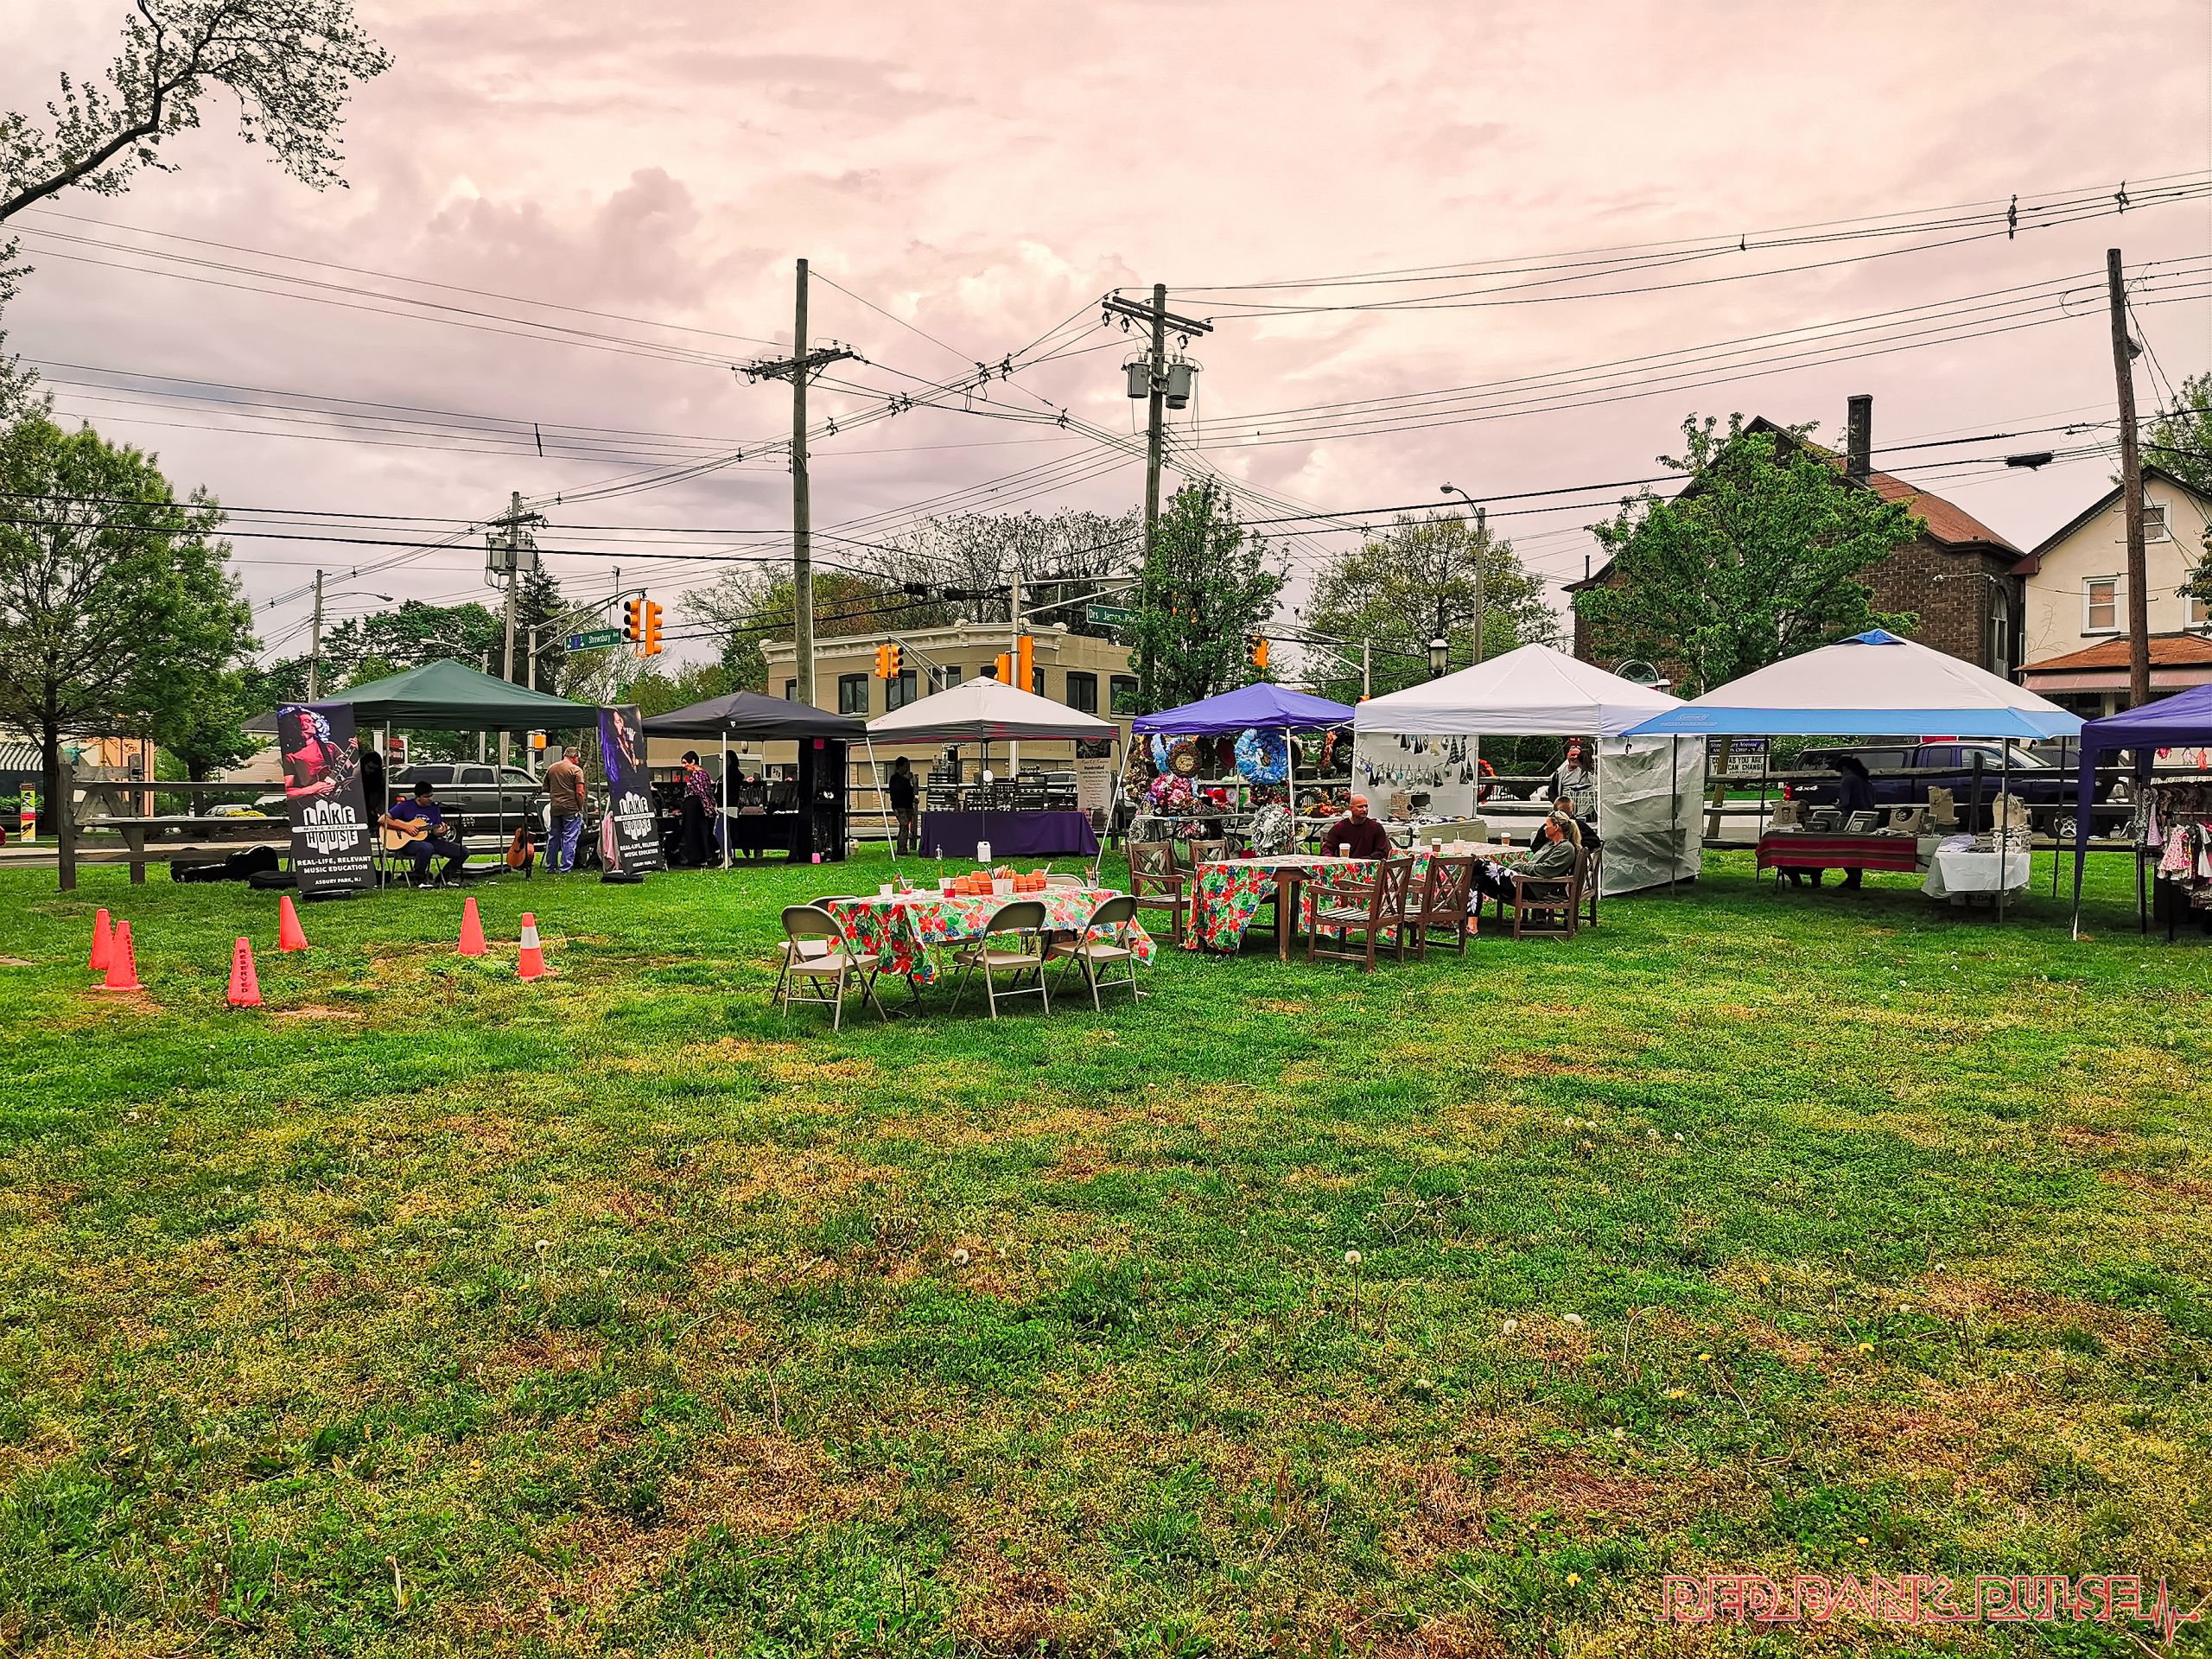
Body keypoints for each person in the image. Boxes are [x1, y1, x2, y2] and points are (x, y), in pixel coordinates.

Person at [1790, 754, 1876, 890]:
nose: (1841, 775)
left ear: (1844, 768)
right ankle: (1856, 878)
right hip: (1866, 817)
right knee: (1856, 850)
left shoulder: (1848, 780)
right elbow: (1872, 801)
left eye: (1841, 772)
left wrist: (1837, 805)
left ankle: (1852, 877)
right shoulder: (1865, 780)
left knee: (1844, 849)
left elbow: (1845, 802)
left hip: (1849, 818)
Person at [1475, 809, 1580, 905]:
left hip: (1532, 887)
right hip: (1526, 882)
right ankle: (1472, 919)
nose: (1544, 828)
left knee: (1481, 864)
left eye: (1546, 825)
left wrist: (1520, 866)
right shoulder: (1550, 844)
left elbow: (1545, 870)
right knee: (1477, 879)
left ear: (1556, 827)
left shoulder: (1565, 848)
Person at [382, 778, 469, 887]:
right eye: (426, 796)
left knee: (463, 851)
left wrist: (441, 832)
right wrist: (406, 827)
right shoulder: (405, 806)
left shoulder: (434, 809)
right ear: (418, 797)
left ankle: (444, 878)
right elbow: (382, 820)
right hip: (408, 843)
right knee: (426, 847)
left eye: (431, 795)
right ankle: (419, 879)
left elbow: (435, 830)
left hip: (431, 840)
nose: (430, 799)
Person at [544, 745, 588, 872]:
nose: (578, 761)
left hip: (555, 808)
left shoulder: (552, 768)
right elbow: (580, 792)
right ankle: (565, 867)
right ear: (574, 756)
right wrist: (580, 807)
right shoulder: (576, 770)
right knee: (570, 837)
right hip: (571, 808)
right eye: (578, 758)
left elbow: (546, 788)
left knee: (553, 837)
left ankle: (550, 866)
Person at [1320, 793, 1394, 859]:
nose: (1364, 809)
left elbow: (1382, 852)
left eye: (1366, 806)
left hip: (1370, 867)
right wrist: (1333, 861)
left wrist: (1362, 862)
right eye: (1360, 807)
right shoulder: (1339, 827)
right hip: (1345, 866)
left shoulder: (1376, 827)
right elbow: (1327, 849)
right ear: (1351, 808)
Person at [677, 750, 716, 867]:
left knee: (693, 832)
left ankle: (696, 857)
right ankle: (701, 857)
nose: (683, 766)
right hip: (696, 805)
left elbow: (702, 792)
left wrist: (707, 806)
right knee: (698, 832)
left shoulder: (698, 774)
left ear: (693, 761)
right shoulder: (703, 774)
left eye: (685, 762)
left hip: (695, 806)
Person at [1527, 795, 1602, 854]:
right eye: (1562, 812)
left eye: (1568, 812)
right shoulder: (1548, 827)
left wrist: (1576, 845)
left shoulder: (1579, 825)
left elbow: (1595, 842)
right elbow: (1535, 847)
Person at [887, 755, 919, 856]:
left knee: (906, 827)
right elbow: (896, 793)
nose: (907, 769)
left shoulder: (906, 780)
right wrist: (895, 807)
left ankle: (904, 848)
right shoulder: (895, 779)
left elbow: (911, 793)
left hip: (908, 806)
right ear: (900, 766)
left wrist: (913, 784)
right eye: (906, 766)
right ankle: (901, 849)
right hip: (900, 806)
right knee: (904, 826)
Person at [359, 743, 386, 822]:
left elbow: (379, 795)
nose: (371, 771)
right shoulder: (357, 774)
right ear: (364, 763)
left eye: (374, 769)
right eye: (370, 767)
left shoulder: (377, 778)